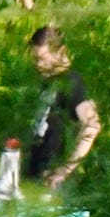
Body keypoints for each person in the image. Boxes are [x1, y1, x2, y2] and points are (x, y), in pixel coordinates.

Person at [27, 26, 102, 190]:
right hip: (36, 177)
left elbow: (92, 126)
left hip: (53, 183)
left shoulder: (72, 82)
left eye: (42, 58)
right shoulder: (51, 81)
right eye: (35, 59)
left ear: (61, 52)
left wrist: (64, 170)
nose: (38, 64)